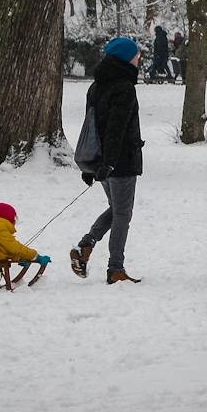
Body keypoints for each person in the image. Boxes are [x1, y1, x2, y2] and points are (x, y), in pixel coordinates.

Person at [71, 36, 145, 283]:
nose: (139, 58)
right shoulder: (124, 87)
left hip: (101, 160)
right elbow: (116, 128)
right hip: (120, 161)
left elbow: (91, 128)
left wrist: (93, 164)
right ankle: (116, 268)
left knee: (117, 209)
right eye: (136, 55)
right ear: (126, 58)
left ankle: (87, 245)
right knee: (123, 213)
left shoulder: (96, 87)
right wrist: (110, 163)